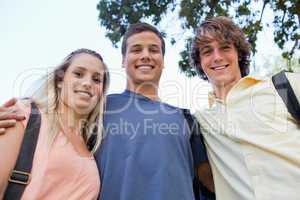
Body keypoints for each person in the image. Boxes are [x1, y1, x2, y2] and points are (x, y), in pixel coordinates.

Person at [0, 23, 214, 200]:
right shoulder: (98, 109)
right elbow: (51, 123)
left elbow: (213, 181)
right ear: (123, 60)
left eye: (154, 50)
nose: (146, 55)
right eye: (137, 49)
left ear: (163, 60)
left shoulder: (186, 119)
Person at [190, 16, 300, 199]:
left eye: (225, 48)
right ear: (200, 63)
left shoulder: (283, 86)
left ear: (238, 53)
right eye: (207, 51)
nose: (217, 57)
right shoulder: (200, 122)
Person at [0, 48, 110, 199]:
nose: (87, 83)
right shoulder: (25, 115)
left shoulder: (94, 146)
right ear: (60, 80)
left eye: (96, 79)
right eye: (78, 74)